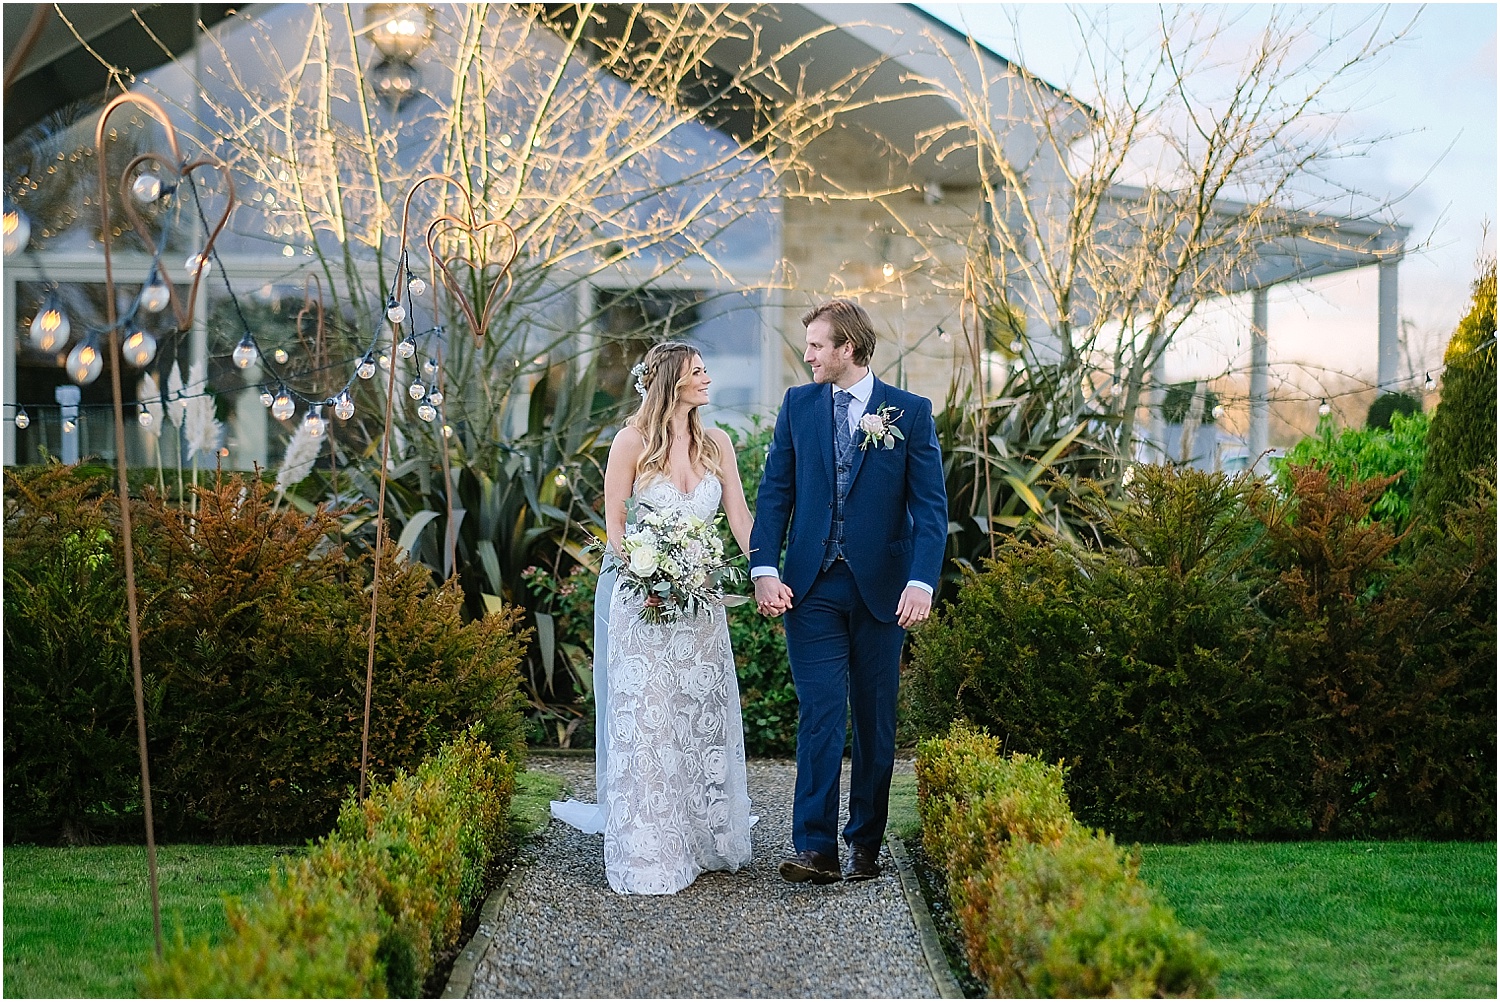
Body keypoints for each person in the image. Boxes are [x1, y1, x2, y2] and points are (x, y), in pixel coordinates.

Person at [749, 299, 947, 883]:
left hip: (884, 590)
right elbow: (774, 493)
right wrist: (765, 569)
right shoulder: (797, 404)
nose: (807, 354)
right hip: (809, 587)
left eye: (816, 344)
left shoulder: (908, 413)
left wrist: (921, 581)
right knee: (820, 714)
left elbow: (931, 510)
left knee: (875, 719)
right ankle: (814, 848)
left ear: (848, 350)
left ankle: (864, 842)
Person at [551, 341, 756, 895]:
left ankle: (703, 834)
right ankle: (652, 847)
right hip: (643, 604)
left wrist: (767, 570)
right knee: (650, 718)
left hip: (700, 606)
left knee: (698, 713)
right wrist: (643, 579)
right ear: (671, 381)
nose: (708, 379)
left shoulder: (717, 443)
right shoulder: (631, 442)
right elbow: (615, 523)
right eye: (698, 372)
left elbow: (738, 516)